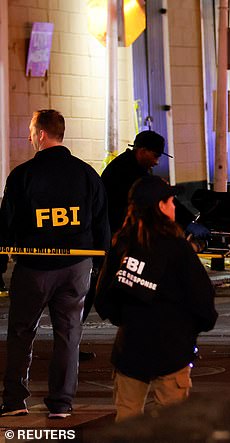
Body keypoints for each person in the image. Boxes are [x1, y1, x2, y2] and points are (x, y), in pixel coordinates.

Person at [0, 109, 110, 418]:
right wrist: (102, 262)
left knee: (22, 331)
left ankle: (14, 401)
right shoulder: (87, 174)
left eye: (32, 131)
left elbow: (6, 221)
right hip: (77, 267)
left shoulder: (23, 176)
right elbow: (102, 221)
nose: (29, 137)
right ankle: (61, 403)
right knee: (68, 333)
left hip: (34, 267)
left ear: (43, 135)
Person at [94, 175, 217, 422]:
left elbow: (103, 299)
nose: (174, 207)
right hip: (172, 347)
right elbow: (202, 299)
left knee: (127, 423)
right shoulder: (178, 248)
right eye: (171, 202)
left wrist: (127, 317)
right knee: (172, 425)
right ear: (160, 206)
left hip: (131, 346)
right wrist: (192, 328)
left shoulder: (122, 244)